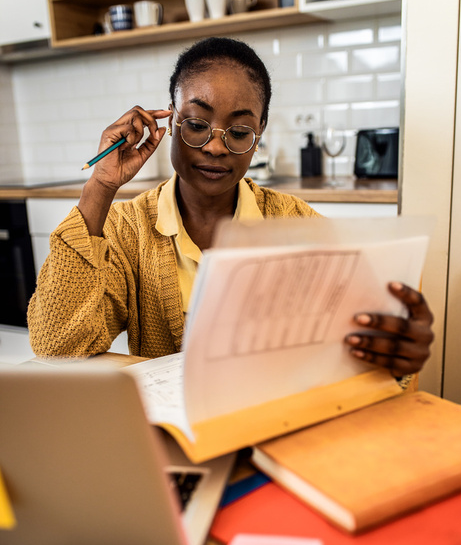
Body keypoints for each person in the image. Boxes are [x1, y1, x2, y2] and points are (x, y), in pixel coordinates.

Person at [27, 37, 434, 380]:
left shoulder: (295, 222)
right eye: (197, 124)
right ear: (170, 122)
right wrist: (100, 186)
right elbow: (55, 347)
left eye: (239, 131)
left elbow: (357, 349)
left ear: (258, 136)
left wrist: (394, 352)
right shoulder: (126, 230)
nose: (217, 146)